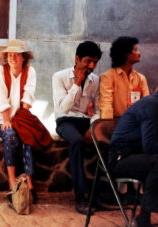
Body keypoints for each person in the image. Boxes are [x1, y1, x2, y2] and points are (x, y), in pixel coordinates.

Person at [109, 64, 158, 227]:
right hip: (121, 158)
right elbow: (150, 145)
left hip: (144, 155)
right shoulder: (152, 105)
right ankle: (143, 217)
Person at [52, 41, 102, 214]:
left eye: (95, 62)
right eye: (88, 61)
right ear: (77, 59)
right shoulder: (59, 77)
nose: (91, 66)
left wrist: (94, 126)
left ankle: (102, 196)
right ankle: (81, 198)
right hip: (65, 121)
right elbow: (63, 108)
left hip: (86, 122)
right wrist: (77, 84)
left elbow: (97, 109)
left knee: (109, 141)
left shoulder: (95, 80)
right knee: (77, 142)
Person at [0, 39, 37, 200]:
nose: (13, 58)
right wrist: (6, 120)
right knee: (9, 135)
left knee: (27, 137)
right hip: (1, 117)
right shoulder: (0, 71)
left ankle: (29, 185)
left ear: (24, 57)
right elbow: (2, 97)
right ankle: (12, 184)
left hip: (20, 117)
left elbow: (28, 97)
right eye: (10, 55)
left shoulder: (30, 71)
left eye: (17, 55)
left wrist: (20, 121)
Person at [99, 36, 150, 119]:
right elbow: (106, 104)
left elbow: (146, 105)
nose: (139, 53)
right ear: (126, 54)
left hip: (135, 123)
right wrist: (108, 126)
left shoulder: (141, 78)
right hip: (115, 122)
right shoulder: (108, 77)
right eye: (135, 50)